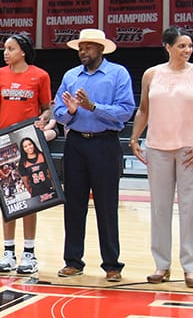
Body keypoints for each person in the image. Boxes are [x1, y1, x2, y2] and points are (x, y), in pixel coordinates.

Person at [128, 26, 193, 288]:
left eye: (189, 46)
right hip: (157, 148)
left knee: (191, 208)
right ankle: (161, 265)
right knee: (159, 208)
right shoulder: (151, 74)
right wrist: (134, 138)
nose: (187, 50)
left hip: (191, 150)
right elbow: (143, 110)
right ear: (167, 47)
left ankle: (191, 267)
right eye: (181, 46)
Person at [52, 28, 136, 281]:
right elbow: (58, 111)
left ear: (100, 49)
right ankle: (72, 261)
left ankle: (112, 264)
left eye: (88, 47)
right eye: (80, 48)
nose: (83, 52)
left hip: (105, 143)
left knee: (106, 206)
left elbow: (126, 110)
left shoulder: (118, 74)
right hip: (76, 143)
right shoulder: (70, 76)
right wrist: (71, 112)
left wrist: (94, 107)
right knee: (73, 205)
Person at [0, 33, 54, 275]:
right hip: (4, 145)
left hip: (28, 143)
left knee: (31, 199)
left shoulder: (40, 75)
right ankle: (8, 252)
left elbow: (47, 109)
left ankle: (29, 253)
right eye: (5, 48)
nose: (5, 53)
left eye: (11, 48)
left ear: (23, 51)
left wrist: (43, 119)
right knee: (9, 198)